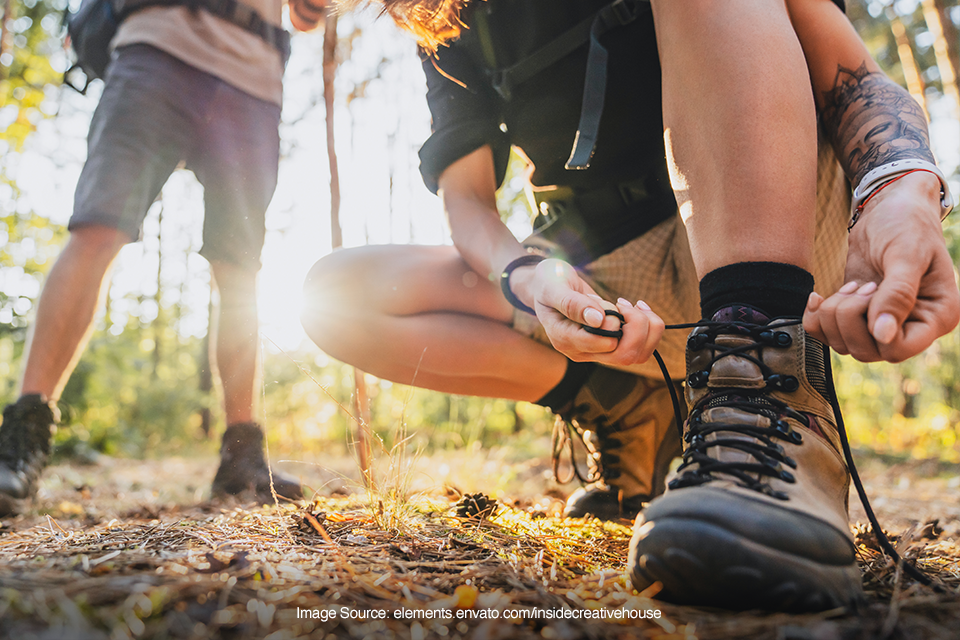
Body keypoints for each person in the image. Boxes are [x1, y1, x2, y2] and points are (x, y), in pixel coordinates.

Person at [304, 0, 958, 611]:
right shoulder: (448, 15)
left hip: (782, 224)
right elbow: (468, 203)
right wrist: (530, 276)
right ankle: (619, 400)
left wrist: (897, 185)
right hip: (603, 271)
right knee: (336, 295)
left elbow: (852, 77)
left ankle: (769, 399)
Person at [0, 0, 328, 516]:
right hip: (157, 46)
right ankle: (21, 439)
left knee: (240, 269)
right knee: (97, 226)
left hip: (254, 77)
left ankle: (243, 453)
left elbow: (308, 14)